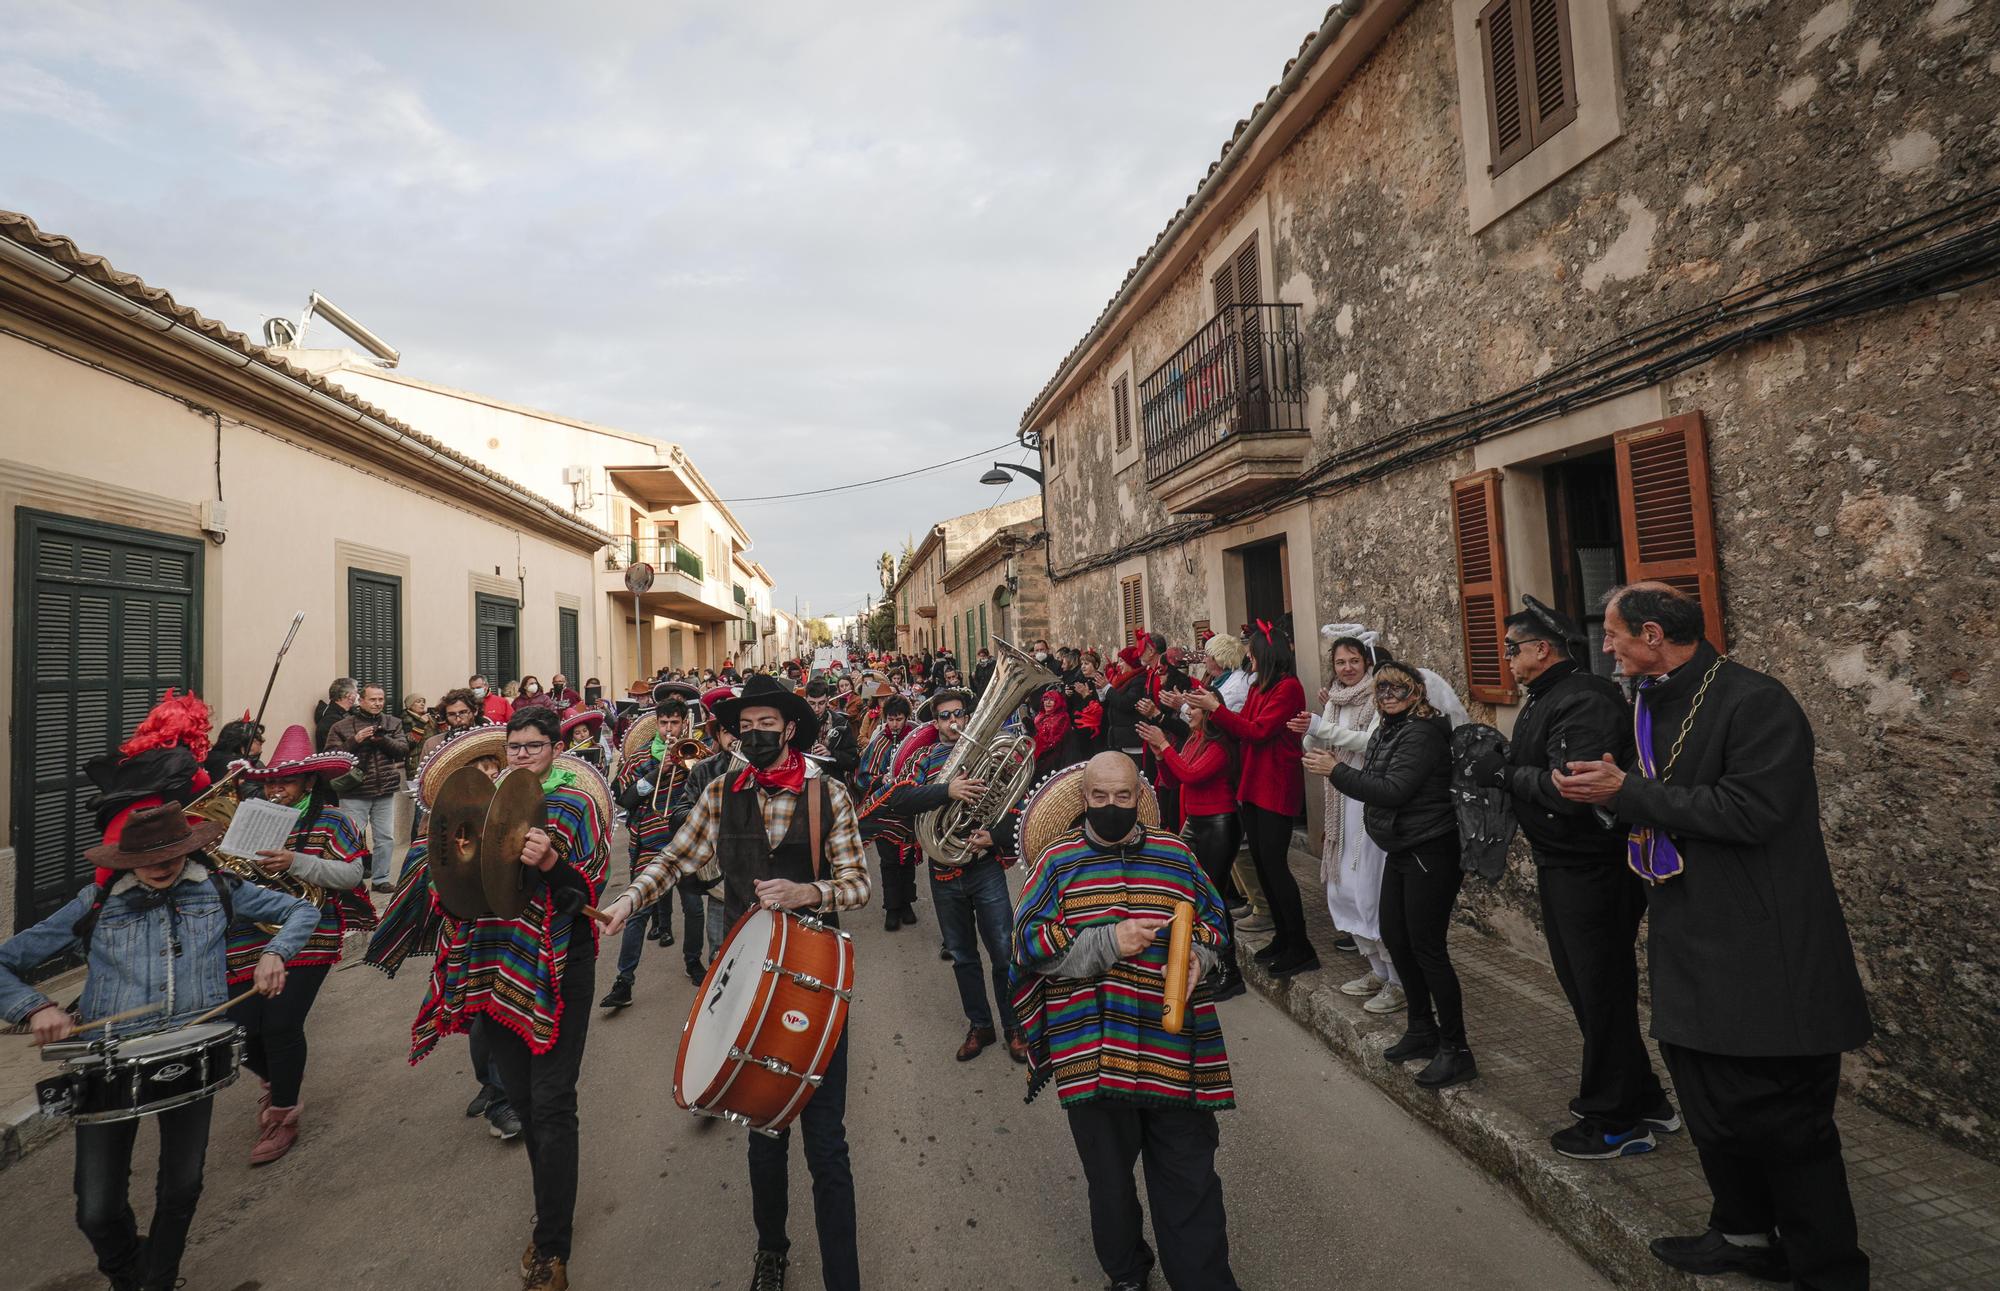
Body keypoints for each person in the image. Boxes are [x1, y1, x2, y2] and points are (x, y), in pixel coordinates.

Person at [1557, 583, 1872, 1288]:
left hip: (1762, 947)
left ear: (1651, 634)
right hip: (1691, 938)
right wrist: (1605, 796)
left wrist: (1625, 793)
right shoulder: (1650, 699)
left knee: (1787, 1125)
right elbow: (1655, 790)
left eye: (1611, 635)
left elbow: (1752, 808)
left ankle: (1828, 1268)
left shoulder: (1757, 701)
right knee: (1712, 1106)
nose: (1605, 647)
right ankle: (1743, 1232)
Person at [596, 674, 869, 1291]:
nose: (754, 734)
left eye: (766, 724)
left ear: (790, 728)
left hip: (815, 982)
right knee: (765, 1130)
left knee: (827, 1144)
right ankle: (771, 1250)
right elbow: (673, 858)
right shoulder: (721, 791)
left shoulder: (829, 794)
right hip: (745, 978)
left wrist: (810, 891)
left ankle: (843, 1277)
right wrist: (629, 901)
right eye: (744, 726)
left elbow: (858, 883)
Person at [0, 805, 317, 1291]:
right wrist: (34, 1008)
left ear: (186, 850)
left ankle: (158, 1281)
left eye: (170, 853)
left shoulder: (218, 888)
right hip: (109, 1059)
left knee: (182, 1186)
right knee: (96, 1207)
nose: (161, 864)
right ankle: (131, 1272)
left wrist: (276, 953)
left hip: (195, 1050)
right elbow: (5, 962)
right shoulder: (96, 903)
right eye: (147, 856)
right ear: (125, 859)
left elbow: (302, 908)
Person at [1011, 753, 1240, 1291]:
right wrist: (1108, 942)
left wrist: (1197, 962)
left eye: (1123, 797)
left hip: (1175, 1046)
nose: (1111, 807)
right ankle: (1128, 1274)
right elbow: (1026, 942)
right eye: (1099, 797)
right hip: (1092, 1050)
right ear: (1083, 797)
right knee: (1110, 1184)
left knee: (1190, 1178)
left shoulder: (1177, 856)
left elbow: (1213, 924)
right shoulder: (1057, 863)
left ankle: (1203, 1281)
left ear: (1139, 797)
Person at [1464, 599, 1676, 1159]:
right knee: (1590, 988)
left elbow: (1577, 787)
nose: (1507, 658)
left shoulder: (1582, 699)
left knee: (1599, 989)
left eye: (1513, 648)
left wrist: (1506, 773)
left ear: (1542, 649)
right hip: (1566, 865)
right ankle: (1645, 1097)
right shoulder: (1550, 698)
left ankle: (1616, 1121)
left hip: (1593, 868)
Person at [409, 707, 609, 1291]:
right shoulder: (476, 808)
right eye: (514, 744)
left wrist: (549, 861)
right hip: (492, 967)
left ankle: (552, 1246)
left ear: (555, 748)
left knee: (551, 1104)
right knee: (523, 1100)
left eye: (534, 745)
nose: (522, 753)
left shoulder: (574, 806)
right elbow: (447, 886)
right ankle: (549, 1205)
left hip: (558, 967)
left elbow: (584, 893)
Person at [225, 725, 378, 1163]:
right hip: (249, 930)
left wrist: (298, 861)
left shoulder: (334, 820)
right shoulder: (249, 816)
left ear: (308, 782)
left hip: (313, 929)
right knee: (237, 1028)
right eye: (270, 781)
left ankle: (283, 1114)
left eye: (285, 781)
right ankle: (277, 1080)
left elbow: (351, 875)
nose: (275, 789)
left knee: (280, 1024)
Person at [365, 724, 522, 1143]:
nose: (488, 778)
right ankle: (492, 1086)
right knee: (479, 1019)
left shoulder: (515, 816)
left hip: (509, 932)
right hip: (467, 936)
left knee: (501, 1014)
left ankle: (501, 1097)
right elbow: (430, 884)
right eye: (479, 773)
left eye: (493, 770)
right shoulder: (440, 834)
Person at [1325, 660, 1474, 1089]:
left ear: (1417, 694)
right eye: (1383, 688)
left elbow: (1392, 790)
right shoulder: (1389, 730)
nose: (1388, 696)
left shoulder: (1423, 734)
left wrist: (1333, 770)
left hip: (1430, 849)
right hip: (1403, 847)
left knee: (1428, 949)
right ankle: (1421, 1029)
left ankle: (1456, 1049)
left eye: (1398, 688)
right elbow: (1376, 777)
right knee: (1396, 936)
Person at [879, 688, 1029, 1063]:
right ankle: (981, 1026)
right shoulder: (924, 759)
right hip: (944, 870)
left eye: (958, 714)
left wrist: (992, 838)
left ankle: (1014, 1027)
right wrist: (948, 790)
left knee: (1003, 952)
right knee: (963, 956)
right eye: (944, 716)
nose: (952, 722)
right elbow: (898, 798)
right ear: (935, 722)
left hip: (984, 866)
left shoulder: (988, 755)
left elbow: (1017, 803)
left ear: (967, 717)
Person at [1176, 623, 1315, 977]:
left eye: (1251, 653)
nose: (1247, 658)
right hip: (1253, 786)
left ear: (1265, 656)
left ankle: (1300, 946)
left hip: (1275, 787)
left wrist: (1215, 708)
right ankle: (1284, 938)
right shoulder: (1260, 687)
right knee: (1264, 866)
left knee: (1276, 867)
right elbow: (1243, 724)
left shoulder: (1288, 688)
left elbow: (1256, 731)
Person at [1294, 629, 1403, 1015]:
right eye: (1340, 662)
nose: (1347, 668)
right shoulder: (1336, 700)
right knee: (1343, 892)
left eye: (1354, 661)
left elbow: (1366, 742)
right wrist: (1310, 736)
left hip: (1366, 804)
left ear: (1367, 662)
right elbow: (1322, 742)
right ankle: (1376, 969)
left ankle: (1398, 980)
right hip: (1341, 805)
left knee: (1368, 890)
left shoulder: (1380, 697)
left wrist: (1319, 728)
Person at [1138, 699, 1246, 1001]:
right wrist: (1161, 755)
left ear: (1209, 713)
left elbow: (1192, 775)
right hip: (1196, 823)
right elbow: (1174, 779)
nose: (1188, 712)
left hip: (1218, 824)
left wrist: (1166, 746)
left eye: (1195, 708)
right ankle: (1209, 960)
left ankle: (1230, 969)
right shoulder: (1194, 739)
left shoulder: (1218, 745)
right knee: (1192, 894)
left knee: (1216, 897)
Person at [603, 694, 697, 1007]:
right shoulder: (639, 757)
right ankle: (624, 981)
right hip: (649, 841)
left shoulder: (694, 754)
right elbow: (625, 798)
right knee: (636, 913)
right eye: (663, 722)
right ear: (656, 724)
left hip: (685, 841)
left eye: (674, 722)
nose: (669, 728)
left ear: (684, 724)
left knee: (694, 907)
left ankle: (693, 962)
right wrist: (659, 772)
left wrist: (684, 764)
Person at [325, 683, 410, 889]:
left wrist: (382, 740)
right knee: (352, 836)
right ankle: (351, 879)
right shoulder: (340, 726)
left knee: (385, 838)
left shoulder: (393, 722)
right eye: (373, 699)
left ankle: (381, 879)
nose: (377, 703)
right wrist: (356, 740)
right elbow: (332, 757)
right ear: (361, 701)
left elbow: (402, 749)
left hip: (385, 790)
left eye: (381, 699)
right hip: (354, 791)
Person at [854, 694, 919, 931]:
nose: (895, 724)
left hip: (909, 809)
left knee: (908, 857)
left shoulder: (916, 738)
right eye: (891, 719)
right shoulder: (878, 741)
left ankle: (907, 904)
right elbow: (863, 776)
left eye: (899, 719)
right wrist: (881, 778)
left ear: (906, 718)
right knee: (889, 860)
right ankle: (891, 908)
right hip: (883, 808)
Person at [804, 680, 861, 783]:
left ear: (827, 700)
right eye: (811, 703)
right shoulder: (797, 722)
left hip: (832, 781)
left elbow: (853, 760)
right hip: (801, 779)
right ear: (805, 700)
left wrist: (831, 754)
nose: (816, 709)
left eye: (821, 703)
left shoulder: (841, 724)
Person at [204, 714, 265, 786]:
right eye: (256, 740)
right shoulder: (240, 767)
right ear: (243, 747)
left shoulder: (206, 760)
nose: (262, 741)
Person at [1031, 685, 1074, 783]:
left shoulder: (1063, 717)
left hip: (1053, 760)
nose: (1047, 702)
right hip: (1037, 758)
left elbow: (1053, 740)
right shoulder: (1040, 717)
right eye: (1045, 699)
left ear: (1058, 702)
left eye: (1052, 699)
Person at [313, 676, 357, 751]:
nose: (357, 696)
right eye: (356, 692)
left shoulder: (347, 713)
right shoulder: (330, 720)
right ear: (349, 696)